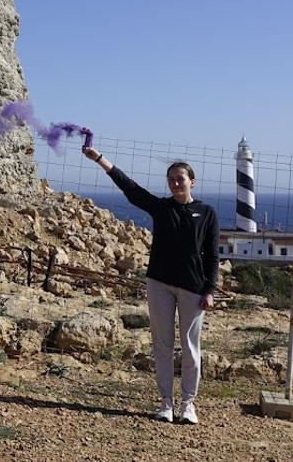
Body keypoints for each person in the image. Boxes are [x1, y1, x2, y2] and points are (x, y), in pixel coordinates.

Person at [83, 146, 218, 424]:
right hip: (159, 283)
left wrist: (209, 290)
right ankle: (166, 402)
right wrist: (99, 159)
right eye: (171, 179)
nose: (176, 182)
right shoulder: (161, 208)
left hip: (193, 287)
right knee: (162, 345)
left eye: (180, 178)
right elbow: (130, 188)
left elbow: (213, 254)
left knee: (191, 347)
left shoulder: (206, 213)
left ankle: (188, 404)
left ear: (192, 182)